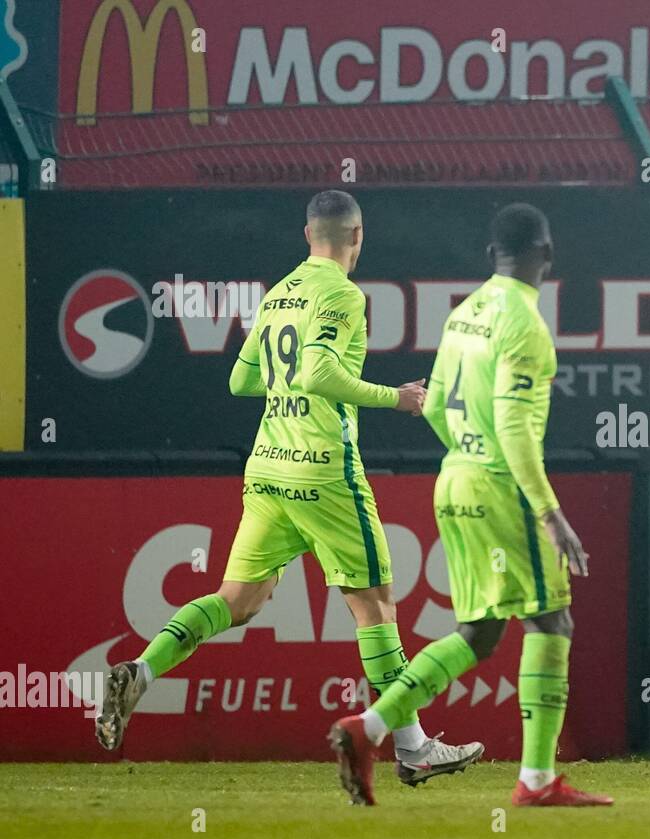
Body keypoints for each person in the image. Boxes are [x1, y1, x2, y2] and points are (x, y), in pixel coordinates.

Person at [96, 190, 482, 786]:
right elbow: (318, 371)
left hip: (269, 467)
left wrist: (292, 388)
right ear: (357, 236)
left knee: (237, 600)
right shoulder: (343, 294)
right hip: (324, 470)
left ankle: (139, 674)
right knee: (375, 607)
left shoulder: (281, 293)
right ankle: (412, 748)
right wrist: (397, 399)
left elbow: (241, 380)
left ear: (308, 236)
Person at [328, 203, 612, 807]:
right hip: (498, 486)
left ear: (491, 257)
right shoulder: (527, 326)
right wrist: (548, 511)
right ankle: (537, 780)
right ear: (548, 255)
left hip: (452, 479)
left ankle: (368, 728)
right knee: (551, 618)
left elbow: (432, 405)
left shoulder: (464, 314)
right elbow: (513, 424)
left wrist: (467, 450)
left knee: (479, 633)